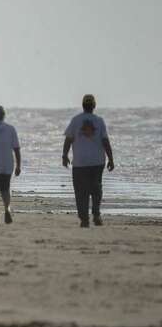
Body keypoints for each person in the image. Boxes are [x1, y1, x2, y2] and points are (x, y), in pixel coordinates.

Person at [63, 94, 115, 228]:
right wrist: (111, 158)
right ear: (94, 106)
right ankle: (96, 214)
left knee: (81, 191)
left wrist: (64, 155)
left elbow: (68, 139)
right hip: (97, 162)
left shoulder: (76, 120)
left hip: (80, 162)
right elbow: (105, 141)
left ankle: (84, 219)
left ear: (83, 105)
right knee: (96, 189)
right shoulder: (99, 121)